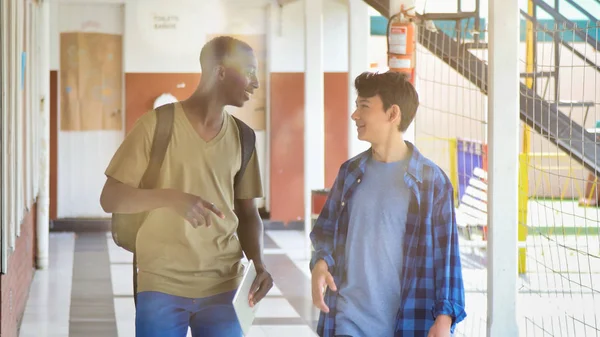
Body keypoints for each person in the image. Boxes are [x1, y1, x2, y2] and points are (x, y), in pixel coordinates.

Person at [100, 36, 273, 337]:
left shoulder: (243, 138)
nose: (255, 82)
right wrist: (170, 198)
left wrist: (258, 263)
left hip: (225, 288)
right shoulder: (156, 125)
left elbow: (248, 214)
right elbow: (110, 197)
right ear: (220, 72)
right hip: (161, 283)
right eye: (248, 71)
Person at [309, 71, 466, 337]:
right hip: (348, 320)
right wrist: (321, 264)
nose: (354, 115)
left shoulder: (432, 183)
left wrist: (444, 319)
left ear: (393, 114)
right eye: (356, 106)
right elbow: (325, 231)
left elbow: (447, 259)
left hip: (407, 323)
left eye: (364, 107)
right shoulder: (350, 173)